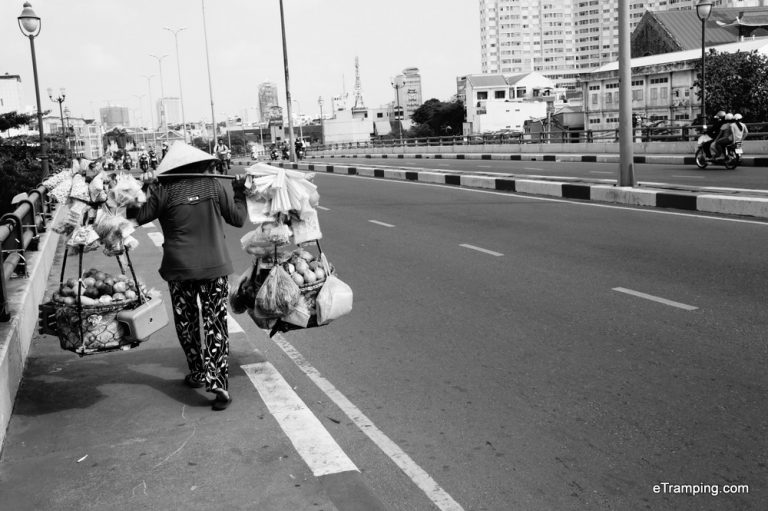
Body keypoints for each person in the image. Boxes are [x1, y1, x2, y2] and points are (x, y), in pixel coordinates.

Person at [129, 143, 247, 410]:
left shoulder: (164, 191)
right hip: (214, 268)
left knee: (187, 322)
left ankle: (197, 372)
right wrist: (239, 191)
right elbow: (238, 219)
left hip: (179, 269)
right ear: (199, 167)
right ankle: (218, 382)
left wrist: (141, 189)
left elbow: (139, 216)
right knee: (215, 323)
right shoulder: (215, 186)